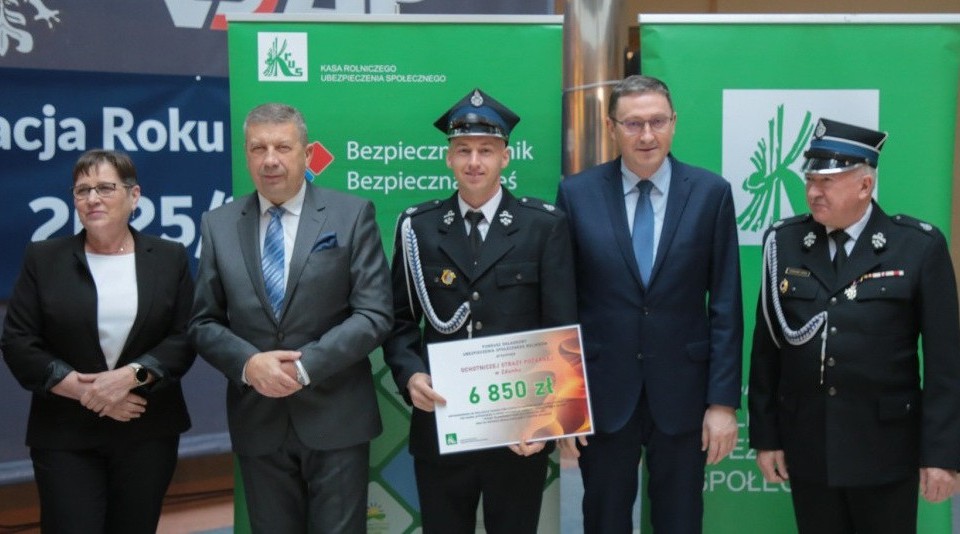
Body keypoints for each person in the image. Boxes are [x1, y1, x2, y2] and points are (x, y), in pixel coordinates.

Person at [748, 118, 960, 533]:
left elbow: (944, 363)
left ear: (865, 185)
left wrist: (942, 455)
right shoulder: (785, 242)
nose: (813, 191)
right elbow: (767, 350)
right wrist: (766, 437)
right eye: (810, 180)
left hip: (885, 448)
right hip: (809, 445)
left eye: (827, 182)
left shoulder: (917, 246)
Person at [189, 103, 392, 532]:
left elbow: (374, 314)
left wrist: (303, 367)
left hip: (337, 418)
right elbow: (203, 323)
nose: (270, 160)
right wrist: (249, 364)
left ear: (307, 153)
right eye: (258, 148)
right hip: (258, 421)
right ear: (246, 154)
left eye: (282, 147)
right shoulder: (218, 224)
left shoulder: (351, 215)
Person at [382, 88, 578, 533]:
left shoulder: (543, 226)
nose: (474, 161)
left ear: (505, 157)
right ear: (448, 158)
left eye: (486, 150)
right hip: (442, 423)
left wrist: (548, 420)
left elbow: (561, 329)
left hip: (519, 431)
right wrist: (410, 375)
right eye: (463, 150)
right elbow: (398, 320)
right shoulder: (418, 228)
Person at [555, 74, 743, 533]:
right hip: (602, 395)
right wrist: (564, 406)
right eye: (633, 123)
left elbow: (725, 305)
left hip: (683, 396)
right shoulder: (577, 194)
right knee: (604, 520)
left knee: (681, 521)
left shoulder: (711, 193)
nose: (646, 135)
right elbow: (563, 304)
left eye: (657, 121)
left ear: (674, 123)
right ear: (611, 127)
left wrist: (722, 404)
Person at [1, 149, 195, 533]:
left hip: (146, 429)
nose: (92, 199)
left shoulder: (168, 257)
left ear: (134, 196)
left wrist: (130, 378)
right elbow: (18, 340)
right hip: (65, 434)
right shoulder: (44, 258)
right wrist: (86, 391)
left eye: (105, 188)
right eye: (82, 190)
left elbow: (186, 336)